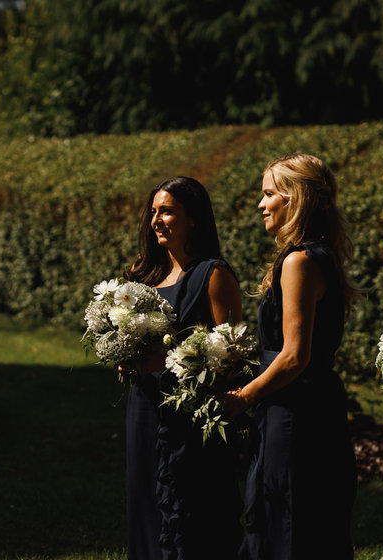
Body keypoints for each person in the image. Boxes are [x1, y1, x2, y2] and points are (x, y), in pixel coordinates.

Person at [223, 153, 357, 559]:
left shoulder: (299, 261)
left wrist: (243, 397)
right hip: (306, 404)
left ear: (294, 198)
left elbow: (295, 355)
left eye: (269, 194)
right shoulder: (317, 255)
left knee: (287, 518)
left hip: (295, 410)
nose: (261, 205)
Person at [124, 176, 243, 560]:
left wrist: (164, 361)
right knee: (146, 506)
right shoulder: (145, 278)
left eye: (168, 211)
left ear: (193, 219)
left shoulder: (213, 275)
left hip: (189, 421)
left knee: (189, 517)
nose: (156, 220)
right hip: (143, 411)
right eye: (154, 212)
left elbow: (233, 356)